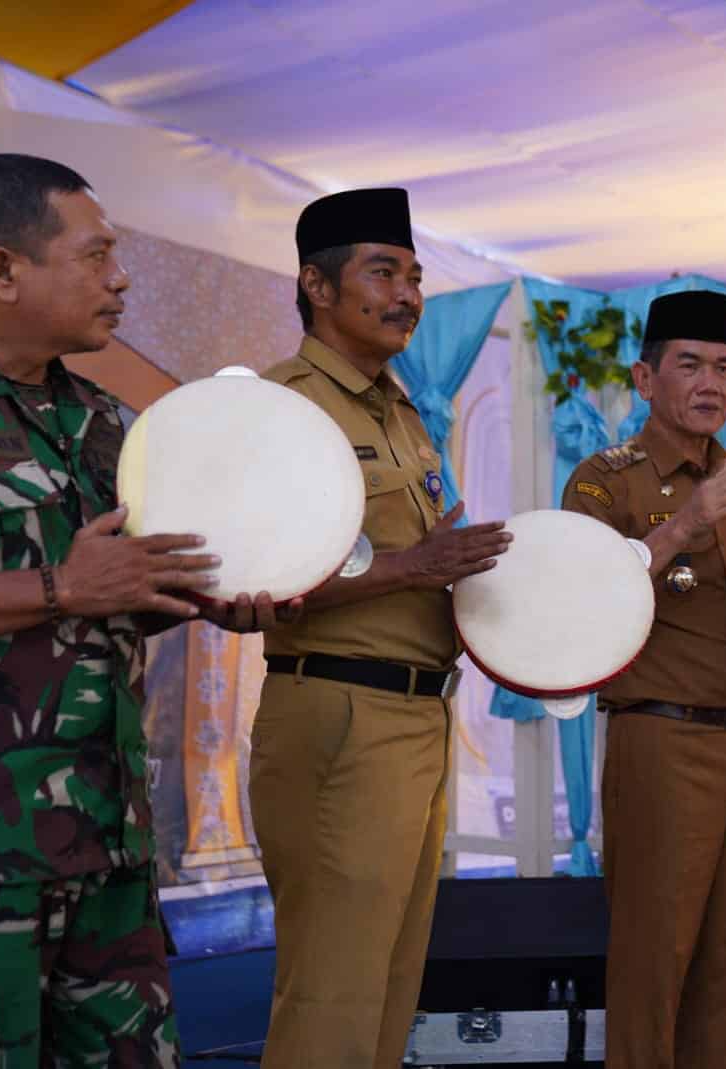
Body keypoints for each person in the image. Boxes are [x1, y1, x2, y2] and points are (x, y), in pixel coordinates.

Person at [0, 152, 291, 1066]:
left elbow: (117, 602)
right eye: (96, 255)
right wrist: (61, 585)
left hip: (110, 849)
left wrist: (210, 597)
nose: (120, 277)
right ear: (4, 271)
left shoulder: (107, 423)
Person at [247, 187, 512, 1068]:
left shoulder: (400, 412)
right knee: (332, 991)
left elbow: (427, 553)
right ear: (317, 288)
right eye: (383, 271)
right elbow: (253, 577)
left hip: (418, 716)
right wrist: (413, 567)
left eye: (415, 276)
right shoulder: (284, 406)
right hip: (339, 712)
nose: (407, 294)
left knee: (392, 987)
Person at [561, 289, 726, 1069]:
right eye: (689, 364)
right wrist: (684, 525)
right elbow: (579, 598)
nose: (711, 383)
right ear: (645, 378)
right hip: (663, 737)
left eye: (724, 367)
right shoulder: (603, 481)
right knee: (653, 959)